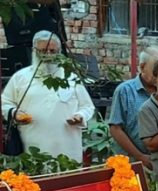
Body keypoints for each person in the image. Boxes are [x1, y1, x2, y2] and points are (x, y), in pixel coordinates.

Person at [1, 31, 95, 162]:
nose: (48, 55)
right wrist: (14, 113)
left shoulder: (71, 78)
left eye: (53, 51)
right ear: (34, 51)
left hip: (67, 149)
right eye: (43, 51)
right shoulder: (21, 78)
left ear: (59, 52)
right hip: (32, 147)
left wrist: (80, 116)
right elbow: (4, 103)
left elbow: (88, 107)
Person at [108, 45, 158, 169]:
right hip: (131, 163)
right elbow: (115, 128)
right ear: (142, 67)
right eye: (155, 70)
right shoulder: (125, 91)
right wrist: (140, 157)